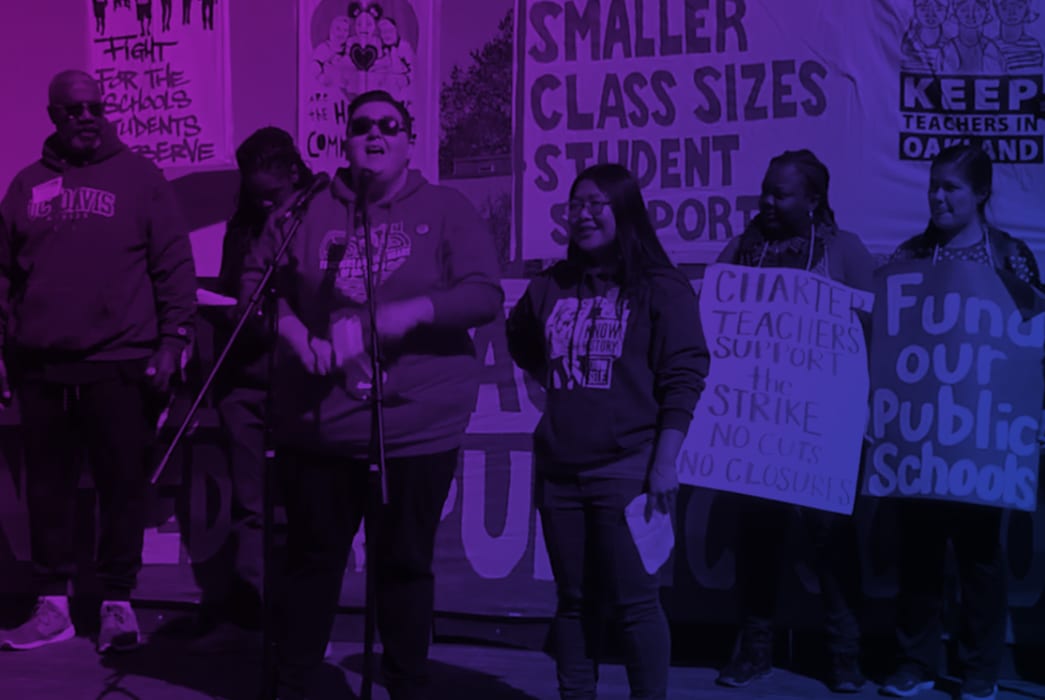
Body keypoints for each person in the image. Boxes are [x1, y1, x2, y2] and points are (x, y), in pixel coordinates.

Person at [238, 90, 502, 700]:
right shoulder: (306, 211)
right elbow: (255, 282)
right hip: (321, 429)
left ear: (410, 140)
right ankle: (297, 684)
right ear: (344, 141)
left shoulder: (446, 208)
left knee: (404, 566)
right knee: (311, 565)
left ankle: (407, 685)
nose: (375, 135)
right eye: (362, 126)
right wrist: (293, 333)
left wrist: (412, 311)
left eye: (390, 125)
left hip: (413, 429)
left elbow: (484, 294)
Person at [0, 69, 196, 654]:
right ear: (54, 116)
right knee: (48, 491)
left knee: (122, 485)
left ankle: (117, 603)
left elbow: (173, 265)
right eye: (72, 111)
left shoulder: (140, 178)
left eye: (94, 108)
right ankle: (53, 606)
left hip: (121, 361)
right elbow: (5, 277)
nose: (86, 118)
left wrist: (173, 341)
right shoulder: (26, 185)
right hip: (42, 366)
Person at [506, 163, 711, 700]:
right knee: (573, 601)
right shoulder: (550, 286)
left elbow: (685, 376)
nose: (584, 214)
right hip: (559, 472)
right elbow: (523, 344)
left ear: (625, 210)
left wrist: (664, 462)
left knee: (635, 602)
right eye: (575, 204)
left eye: (597, 203)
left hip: (629, 469)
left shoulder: (661, 288)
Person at [878, 144, 1045, 700]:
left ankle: (980, 669)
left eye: (951, 188)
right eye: (934, 185)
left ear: (981, 193)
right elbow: (889, 343)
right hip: (922, 434)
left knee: (981, 555)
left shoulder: (1011, 257)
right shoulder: (910, 255)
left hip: (984, 433)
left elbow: (1036, 340)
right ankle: (915, 661)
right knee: (920, 551)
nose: (938, 196)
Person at [713, 149, 875, 694]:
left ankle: (845, 653)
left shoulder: (843, 250)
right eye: (765, 190)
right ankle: (755, 649)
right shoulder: (742, 249)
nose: (767, 202)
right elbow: (717, 319)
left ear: (814, 200)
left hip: (823, 422)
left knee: (832, 539)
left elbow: (875, 329)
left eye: (780, 194)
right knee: (758, 535)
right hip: (760, 420)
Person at [185, 127, 313, 655]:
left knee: (304, 504)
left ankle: (302, 615)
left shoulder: (319, 218)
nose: (261, 203)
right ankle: (250, 609)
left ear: (294, 174)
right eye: (252, 193)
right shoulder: (244, 224)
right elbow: (237, 286)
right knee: (249, 503)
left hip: (300, 381)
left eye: (270, 193)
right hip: (245, 380)